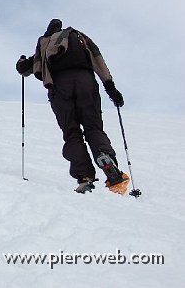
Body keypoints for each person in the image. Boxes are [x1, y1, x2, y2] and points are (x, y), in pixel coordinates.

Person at [16, 19, 127, 194]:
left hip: (59, 86)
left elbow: (28, 68)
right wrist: (110, 87)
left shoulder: (45, 41)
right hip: (86, 82)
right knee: (94, 128)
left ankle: (84, 177)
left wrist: (21, 63)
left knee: (72, 132)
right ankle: (105, 158)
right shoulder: (79, 36)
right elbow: (98, 59)